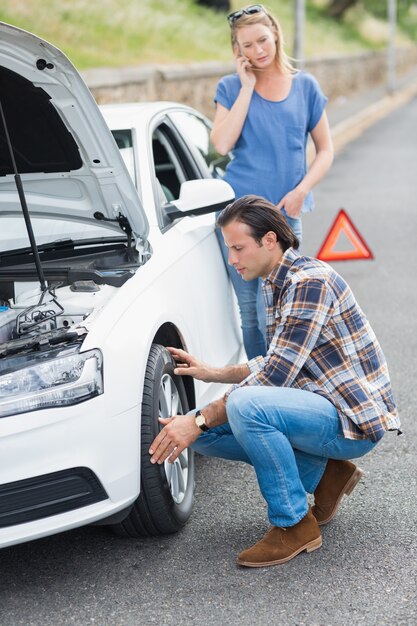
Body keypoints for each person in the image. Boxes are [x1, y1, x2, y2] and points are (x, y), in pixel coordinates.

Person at [148, 195, 401, 568]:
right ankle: (329, 473)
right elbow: (279, 362)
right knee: (206, 432)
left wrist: (198, 418)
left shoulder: (309, 283)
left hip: (352, 421)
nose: (232, 260)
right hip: (317, 404)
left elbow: (274, 377)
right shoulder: (274, 282)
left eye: (238, 248)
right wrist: (212, 373)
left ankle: (294, 524)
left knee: (242, 407)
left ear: (269, 240)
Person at [211, 4, 334, 360]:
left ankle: (289, 382)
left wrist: (302, 190)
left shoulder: (305, 86)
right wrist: (247, 88)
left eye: (262, 40)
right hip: (239, 218)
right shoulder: (231, 87)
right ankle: (260, 390)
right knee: (251, 311)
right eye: (247, 45)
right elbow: (222, 144)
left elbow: (325, 150)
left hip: (285, 214)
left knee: (289, 304)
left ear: (276, 35)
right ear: (238, 50)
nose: (257, 51)